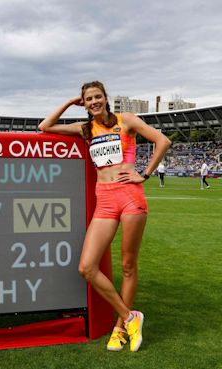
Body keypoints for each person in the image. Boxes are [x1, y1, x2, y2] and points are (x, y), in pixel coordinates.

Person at [38, 81, 171, 352]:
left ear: (106, 98)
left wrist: (143, 174)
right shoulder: (85, 128)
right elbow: (45, 126)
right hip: (105, 201)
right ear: (84, 103)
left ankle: (119, 330)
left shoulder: (127, 120)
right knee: (86, 267)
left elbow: (163, 141)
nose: (94, 101)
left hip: (130, 196)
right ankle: (129, 315)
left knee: (127, 266)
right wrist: (69, 102)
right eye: (88, 99)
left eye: (97, 96)